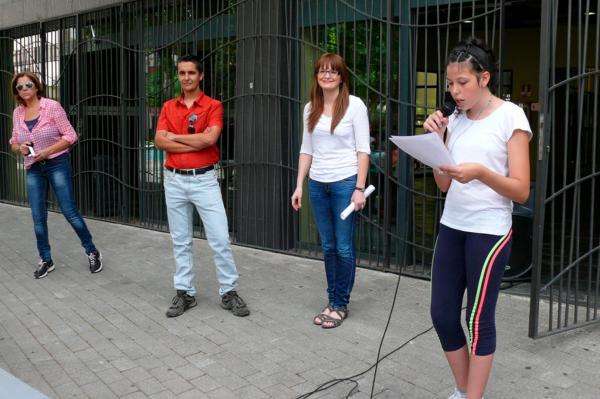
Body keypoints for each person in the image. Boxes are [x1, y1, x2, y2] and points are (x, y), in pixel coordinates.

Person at [423, 38, 531, 399]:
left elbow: (521, 190)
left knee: (477, 321)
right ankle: (463, 389)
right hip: (452, 226)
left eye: (462, 82)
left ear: (484, 78)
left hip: (489, 231)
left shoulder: (511, 116)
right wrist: (436, 143)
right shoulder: (453, 120)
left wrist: (482, 173)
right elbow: (443, 184)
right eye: (450, 83)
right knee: (442, 315)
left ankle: (473, 397)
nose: (454, 91)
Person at [154, 55, 249, 318]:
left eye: (191, 73)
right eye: (182, 73)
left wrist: (176, 137)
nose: (186, 78)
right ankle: (185, 292)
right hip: (173, 179)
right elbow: (160, 142)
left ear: (201, 75)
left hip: (204, 180)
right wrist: (192, 139)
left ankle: (229, 291)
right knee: (180, 240)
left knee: (219, 238)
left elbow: (209, 140)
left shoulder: (213, 106)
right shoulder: (167, 106)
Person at [291, 53, 370, 329]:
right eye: (322, 71)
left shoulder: (355, 106)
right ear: (317, 76)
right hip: (317, 184)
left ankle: (339, 304)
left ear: (341, 76)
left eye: (333, 72)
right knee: (328, 247)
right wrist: (299, 185)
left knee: (344, 247)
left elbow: (363, 150)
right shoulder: (309, 108)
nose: (327, 75)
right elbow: (306, 150)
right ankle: (332, 299)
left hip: (345, 183)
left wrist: (359, 188)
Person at [8, 72, 103, 279]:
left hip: (56, 164)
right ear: (16, 91)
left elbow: (71, 136)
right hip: (33, 167)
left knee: (69, 211)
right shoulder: (17, 113)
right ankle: (46, 259)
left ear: (36, 86)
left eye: (28, 85)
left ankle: (92, 251)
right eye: (19, 87)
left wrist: (48, 151)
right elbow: (13, 141)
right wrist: (20, 148)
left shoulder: (51, 106)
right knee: (38, 217)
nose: (24, 89)